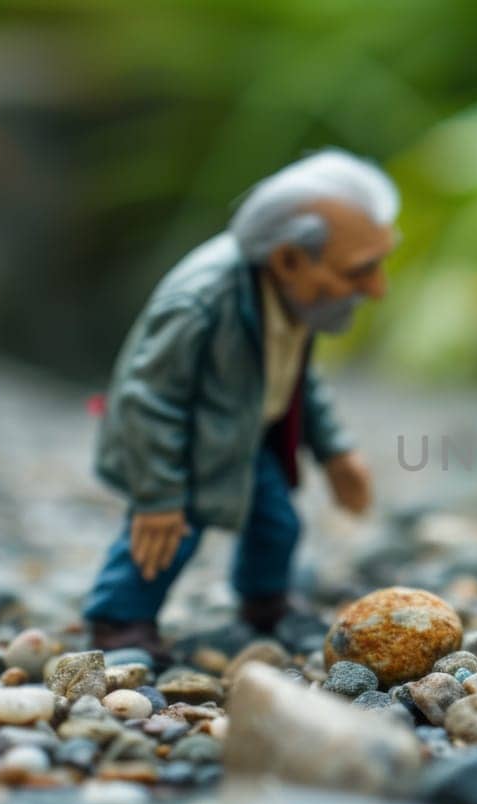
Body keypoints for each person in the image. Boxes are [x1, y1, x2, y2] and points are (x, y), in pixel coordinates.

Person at [85, 149, 397, 656]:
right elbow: (147, 399)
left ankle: (266, 601)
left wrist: (335, 450)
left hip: (242, 437)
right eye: (360, 270)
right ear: (290, 258)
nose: (377, 288)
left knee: (278, 523)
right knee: (164, 538)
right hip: (177, 448)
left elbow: (298, 379)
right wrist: (158, 493)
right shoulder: (201, 303)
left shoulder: (298, 295)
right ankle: (119, 621)